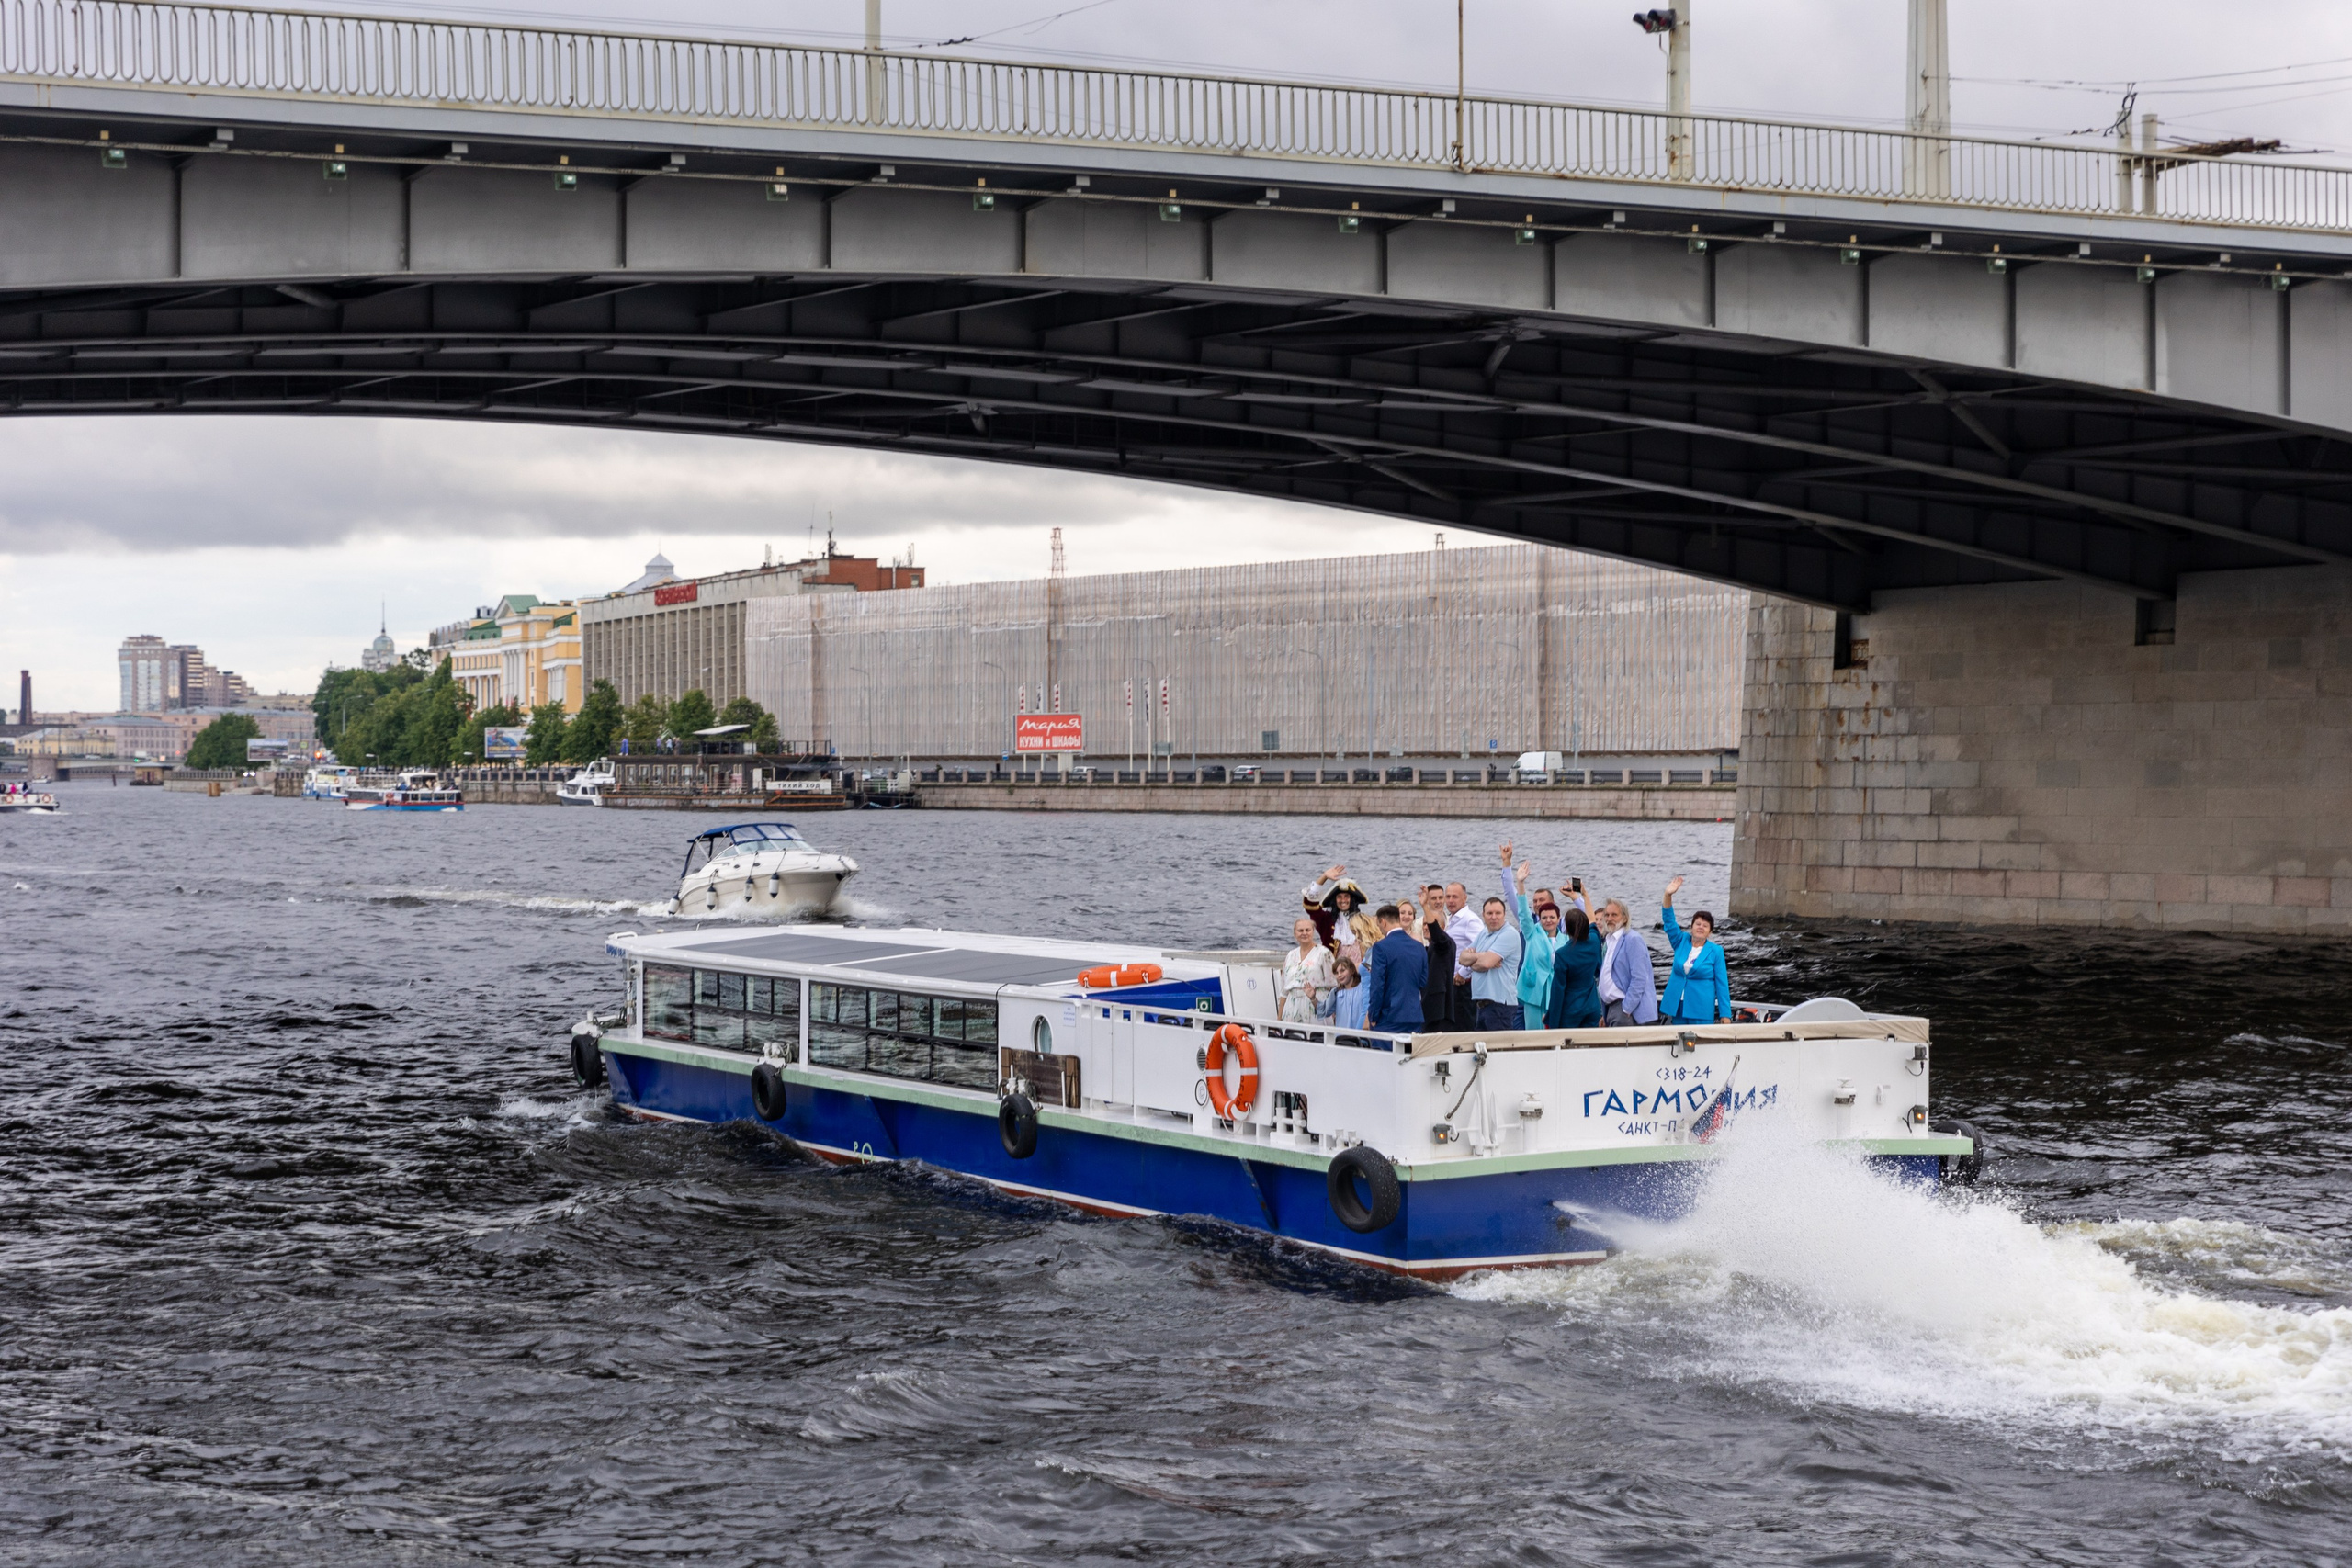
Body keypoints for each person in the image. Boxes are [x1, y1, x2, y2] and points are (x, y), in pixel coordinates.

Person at [1659, 875, 1731, 1025]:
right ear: (1691, 927)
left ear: (1710, 932)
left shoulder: (1715, 951)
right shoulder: (1681, 941)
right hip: (1677, 1006)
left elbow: (1722, 984)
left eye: (1705, 926)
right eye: (1697, 924)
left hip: (1700, 1009)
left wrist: (1725, 1014)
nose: (1700, 927)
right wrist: (1668, 895)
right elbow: (1669, 922)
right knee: (1675, 1046)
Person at [1361, 904, 1428, 1033]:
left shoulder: (1380, 947)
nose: (1379, 930)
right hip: (1414, 1015)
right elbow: (1423, 981)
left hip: (1388, 1017)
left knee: (1383, 1053)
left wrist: (1373, 1015)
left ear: (1383, 922)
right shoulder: (1419, 946)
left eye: (1379, 926)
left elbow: (1377, 985)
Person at [1462, 895, 1523, 1033]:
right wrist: (1482, 956)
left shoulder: (1509, 934)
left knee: (1499, 1051)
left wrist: (1474, 960)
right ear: (1483, 915)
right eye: (1490, 913)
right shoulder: (1483, 933)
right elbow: (1462, 958)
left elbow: (1486, 964)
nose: (1494, 917)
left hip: (1500, 1006)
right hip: (1481, 1005)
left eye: (1498, 913)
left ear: (1504, 915)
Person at [1597, 897, 1659, 1026]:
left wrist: (1626, 1008)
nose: (1609, 919)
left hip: (1626, 1009)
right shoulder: (1609, 941)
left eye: (1614, 915)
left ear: (1625, 918)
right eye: (1607, 915)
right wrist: (1606, 1013)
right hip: (1611, 1007)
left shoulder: (1633, 939)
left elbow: (1640, 978)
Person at [1302, 863, 1380, 963]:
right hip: (1334, 973)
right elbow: (1310, 905)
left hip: (1360, 974)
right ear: (1335, 900)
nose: (1343, 900)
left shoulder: (1364, 920)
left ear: (1352, 899)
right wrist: (1324, 877)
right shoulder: (1326, 920)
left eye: (1347, 896)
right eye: (1339, 897)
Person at [1546, 905, 1606, 1029]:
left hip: (1570, 1010)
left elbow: (1558, 990)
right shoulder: (1595, 941)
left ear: (1567, 929)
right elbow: (1593, 922)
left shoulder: (1563, 954)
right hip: (1592, 1007)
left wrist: (1551, 1020)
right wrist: (1583, 894)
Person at [1278, 916, 1338, 1023]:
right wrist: (1278, 1019)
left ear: (1313, 931)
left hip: (1315, 1006)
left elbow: (1334, 985)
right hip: (1291, 1008)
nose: (1304, 933)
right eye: (1300, 930)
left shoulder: (1324, 953)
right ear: (1295, 934)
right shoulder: (1290, 955)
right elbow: (1284, 990)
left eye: (1308, 930)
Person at [1419, 883, 1460, 1031]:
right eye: (1424, 924)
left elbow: (1437, 936)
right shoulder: (1428, 947)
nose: (1426, 927)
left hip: (1440, 1013)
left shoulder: (1446, 944)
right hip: (1426, 1010)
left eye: (1429, 924)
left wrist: (1425, 907)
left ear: (1442, 927)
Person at [1442, 880, 1482, 1025]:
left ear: (1465, 898)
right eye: (1448, 897)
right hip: (1451, 984)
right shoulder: (1451, 919)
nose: (1451, 901)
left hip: (1464, 986)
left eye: (1455, 897)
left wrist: (1464, 973)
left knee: (1464, 1026)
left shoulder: (1470, 920)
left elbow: (1482, 949)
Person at [1329, 957, 1368, 1031]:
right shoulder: (1337, 992)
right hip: (1341, 1037)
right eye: (1336, 973)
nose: (1339, 975)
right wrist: (1313, 998)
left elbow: (1367, 966)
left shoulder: (1362, 988)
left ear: (1352, 970)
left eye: (1342, 971)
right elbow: (1324, 1010)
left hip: (1359, 1036)